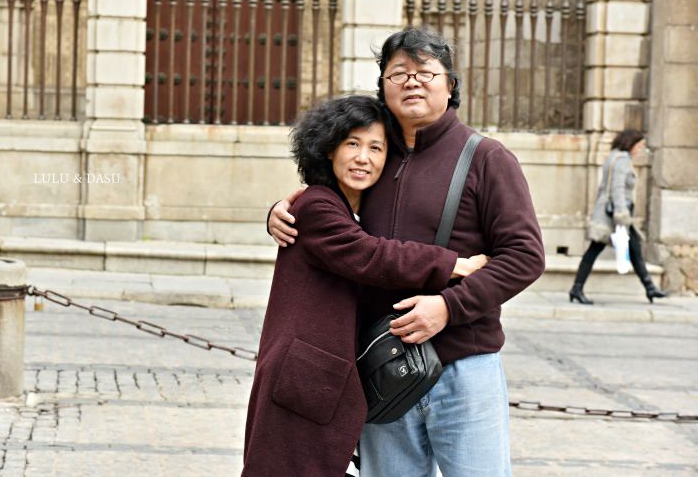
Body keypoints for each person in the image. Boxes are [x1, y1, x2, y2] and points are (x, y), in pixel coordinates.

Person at [268, 27, 546, 476]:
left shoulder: (487, 159)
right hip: (381, 366)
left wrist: (447, 309)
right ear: (383, 87)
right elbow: (332, 212)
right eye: (398, 73)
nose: (412, 81)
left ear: (450, 85)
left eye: (425, 72)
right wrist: (283, 208)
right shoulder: (374, 157)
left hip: (464, 365)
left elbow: (525, 256)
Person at [242, 95, 488, 476]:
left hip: (318, 383)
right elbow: (372, 256)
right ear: (328, 149)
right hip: (302, 381)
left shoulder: (346, 209)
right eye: (352, 144)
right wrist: (453, 263)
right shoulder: (317, 205)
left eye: (376, 147)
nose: (363, 157)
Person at [569, 129, 668, 305]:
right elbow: (617, 189)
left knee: (633, 249)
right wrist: (622, 214)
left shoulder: (613, 157)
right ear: (631, 143)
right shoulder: (622, 160)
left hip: (613, 214)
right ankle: (577, 288)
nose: (640, 150)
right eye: (640, 146)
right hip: (614, 216)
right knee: (595, 250)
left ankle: (649, 287)